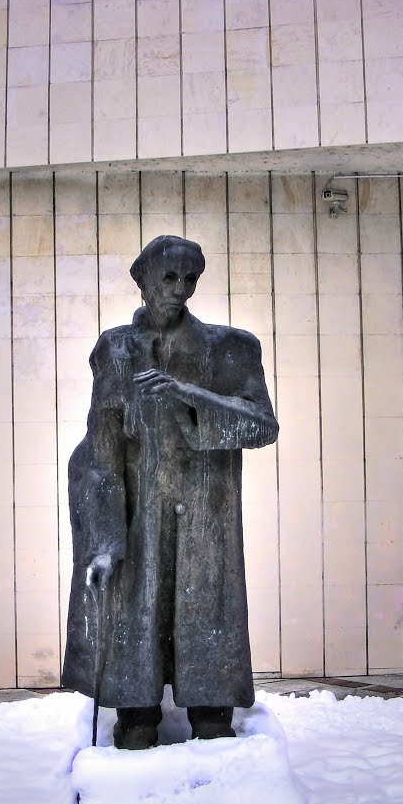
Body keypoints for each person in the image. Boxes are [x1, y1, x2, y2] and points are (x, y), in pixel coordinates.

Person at [61, 235, 279, 749]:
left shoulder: (231, 347)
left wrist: (190, 394)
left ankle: (211, 708)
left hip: (208, 508)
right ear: (143, 280)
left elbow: (263, 427)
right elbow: (101, 447)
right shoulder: (116, 349)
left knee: (208, 604)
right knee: (137, 601)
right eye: (169, 277)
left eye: (190, 278)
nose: (180, 289)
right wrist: (103, 539)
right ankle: (135, 713)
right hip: (139, 511)